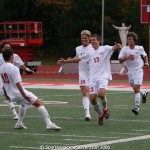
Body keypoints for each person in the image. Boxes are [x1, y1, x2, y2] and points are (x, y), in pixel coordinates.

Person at [58, 34, 122, 125]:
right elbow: (78, 58)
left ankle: (105, 109)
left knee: (101, 94)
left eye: (93, 40)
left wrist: (118, 46)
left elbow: (114, 47)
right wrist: (66, 61)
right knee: (92, 98)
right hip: (93, 78)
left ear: (99, 41)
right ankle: (100, 115)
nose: (92, 41)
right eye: (91, 40)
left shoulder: (105, 49)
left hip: (103, 76)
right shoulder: (89, 52)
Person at [0, 49, 61, 130]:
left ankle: (19, 123)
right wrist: (25, 96)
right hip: (18, 93)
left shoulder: (1, 67)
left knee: (23, 105)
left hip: (11, 94)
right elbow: (18, 84)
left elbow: (3, 84)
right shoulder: (14, 68)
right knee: (39, 103)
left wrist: (7, 94)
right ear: (11, 56)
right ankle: (49, 124)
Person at [0, 41, 34, 120]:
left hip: (9, 79)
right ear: (2, 49)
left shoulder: (14, 56)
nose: (7, 49)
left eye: (9, 48)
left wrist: (28, 70)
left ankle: (14, 113)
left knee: (8, 94)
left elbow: (21, 65)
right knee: (6, 94)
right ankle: (15, 113)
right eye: (5, 48)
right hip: (1, 78)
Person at [118, 32, 149, 115]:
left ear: (134, 40)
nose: (129, 41)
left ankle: (136, 108)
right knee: (135, 88)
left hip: (138, 70)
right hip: (130, 71)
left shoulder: (140, 48)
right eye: (128, 39)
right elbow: (120, 60)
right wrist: (127, 57)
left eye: (130, 39)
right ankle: (144, 93)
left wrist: (146, 62)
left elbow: (145, 55)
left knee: (136, 88)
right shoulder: (124, 49)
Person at [74, 30, 92, 121]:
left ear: (89, 38)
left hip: (94, 73)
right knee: (85, 92)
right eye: (82, 38)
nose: (84, 39)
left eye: (85, 38)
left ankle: (103, 110)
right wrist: (66, 61)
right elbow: (77, 58)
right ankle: (87, 113)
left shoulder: (93, 48)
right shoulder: (78, 48)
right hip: (83, 73)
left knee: (94, 95)